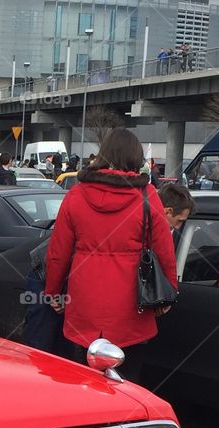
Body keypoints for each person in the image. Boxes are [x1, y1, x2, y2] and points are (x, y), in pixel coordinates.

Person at [43, 128, 177, 363]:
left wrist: (53, 292)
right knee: (128, 385)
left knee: (83, 382)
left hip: (83, 305)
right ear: (136, 158)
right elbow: (164, 250)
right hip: (131, 307)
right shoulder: (147, 196)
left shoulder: (76, 194)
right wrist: (169, 291)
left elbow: (58, 252)